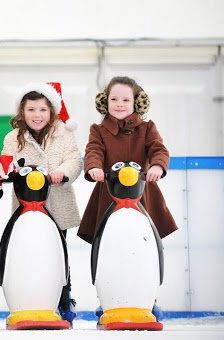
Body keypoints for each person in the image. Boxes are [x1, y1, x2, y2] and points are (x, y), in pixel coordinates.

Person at [78, 76, 178, 320]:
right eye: (114, 99)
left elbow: (158, 149)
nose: (119, 104)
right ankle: (107, 299)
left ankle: (149, 298)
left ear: (136, 102)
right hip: (109, 196)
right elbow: (93, 151)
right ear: (105, 101)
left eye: (125, 99)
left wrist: (157, 166)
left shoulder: (147, 128)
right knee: (108, 248)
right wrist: (93, 167)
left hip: (141, 194)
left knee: (146, 248)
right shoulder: (98, 130)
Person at [0, 82, 82, 326]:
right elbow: (7, 162)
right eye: (31, 109)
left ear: (52, 111)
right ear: (22, 112)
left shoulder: (64, 134)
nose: (37, 115)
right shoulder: (14, 138)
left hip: (56, 203)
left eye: (43, 110)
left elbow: (74, 160)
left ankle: (63, 298)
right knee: (27, 252)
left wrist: (62, 172)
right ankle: (26, 298)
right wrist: (3, 169)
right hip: (26, 206)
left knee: (58, 252)